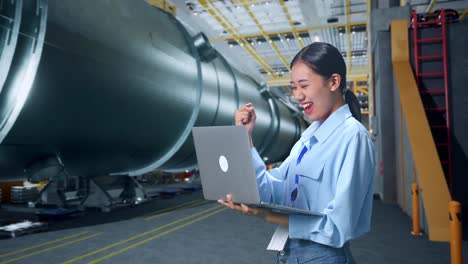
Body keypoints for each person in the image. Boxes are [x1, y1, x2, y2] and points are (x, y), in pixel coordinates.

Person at [218, 42, 376, 264]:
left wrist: (266, 215)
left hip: (323, 256)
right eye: (293, 87)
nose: (298, 96)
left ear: (333, 82)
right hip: (288, 253)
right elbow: (273, 190)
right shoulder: (307, 138)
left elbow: (338, 227)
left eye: (304, 85)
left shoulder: (352, 137)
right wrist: (245, 138)